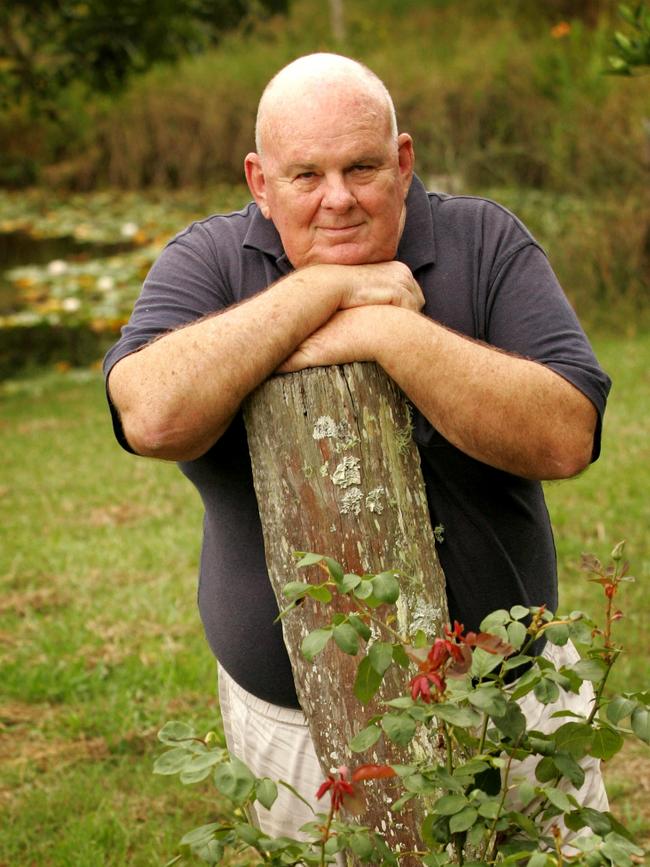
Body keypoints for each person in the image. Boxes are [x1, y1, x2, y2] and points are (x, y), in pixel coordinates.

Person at [103, 53, 611, 843]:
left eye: (362, 167)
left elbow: (566, 432)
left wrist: (386, 330)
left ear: (403, 161)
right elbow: (152, 415)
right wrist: (326, 291)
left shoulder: (485, 240)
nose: (338, 198)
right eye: (305, 175)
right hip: (295, 727)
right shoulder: (206, 261)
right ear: (258, 181)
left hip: (512, 702)